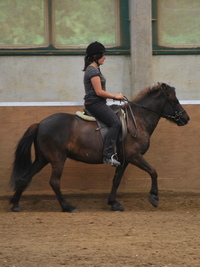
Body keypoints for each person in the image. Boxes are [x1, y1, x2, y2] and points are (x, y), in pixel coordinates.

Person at [83, 41, 124, 167]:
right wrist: (115, 96)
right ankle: (108, 155)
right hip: (95, 104)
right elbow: (99, 92)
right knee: (115, 123)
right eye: (102, 55)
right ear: (95, 57)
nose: (104, 57)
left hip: (99, 103)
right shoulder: (92, 71)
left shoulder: (95, 69)